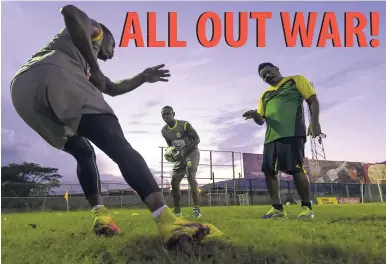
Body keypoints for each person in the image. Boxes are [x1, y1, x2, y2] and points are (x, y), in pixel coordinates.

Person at [10, 5, 222, 246]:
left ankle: (100, 215)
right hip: (57, 74)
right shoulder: (96, 33)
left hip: (22, 92)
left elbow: (110, 88)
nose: (111, 53)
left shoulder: (80, 60)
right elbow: (69, 11)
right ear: (106, 36)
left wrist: (141, 77)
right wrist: (97, 65)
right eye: (113, 47)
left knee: (84, 152)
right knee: (120, 147)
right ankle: (166, 220)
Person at [243, 62, 323, 220]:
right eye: (263, 75)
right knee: (269, 171)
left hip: (292, 133)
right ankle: (278, 209)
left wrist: (315, 122)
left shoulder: (296, 80)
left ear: (276, 69)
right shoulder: (264, 95)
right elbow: (261, 120)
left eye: (268, 71)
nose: (266, 76)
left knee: (296, 169)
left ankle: (307, 208)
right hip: (271, 137)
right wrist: (255, 115)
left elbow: (312, 101)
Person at [161, 106, 201, 218]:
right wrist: (172, 154)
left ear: (173, 113)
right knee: (174, 182)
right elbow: (170, 146)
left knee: (190, 176)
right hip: (181, 156)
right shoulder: (164, 131)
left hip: (192, 152)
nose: (166, 116)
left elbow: (197, 139)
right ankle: (177, 211)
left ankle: (196, 209)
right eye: (163, 114)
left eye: (168, 113)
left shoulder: (184, 124)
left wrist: (184, 151)